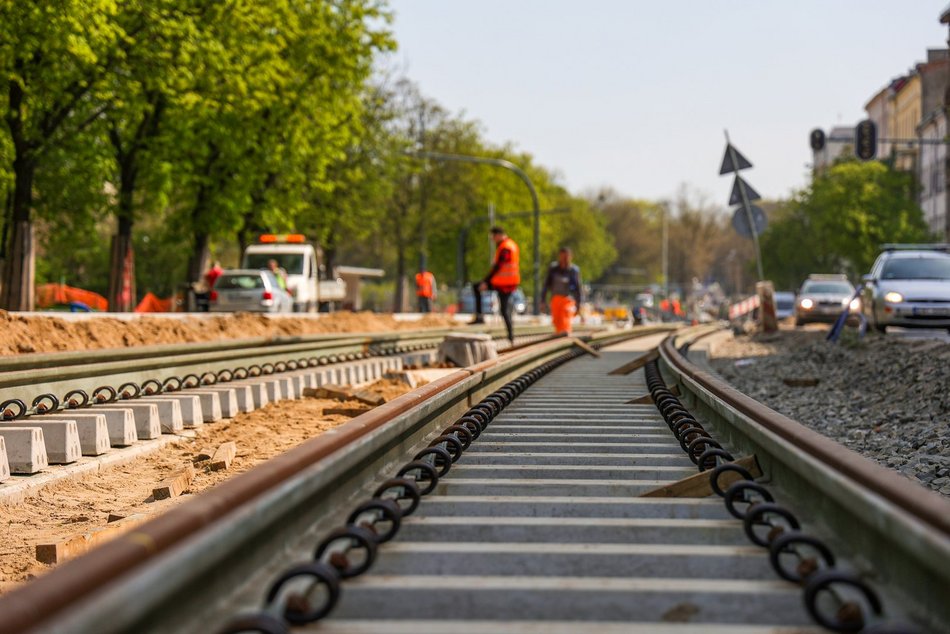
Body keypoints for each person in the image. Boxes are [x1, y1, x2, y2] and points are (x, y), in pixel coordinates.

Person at [470, 226, 519, 343]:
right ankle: (480, 317)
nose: (492, 239)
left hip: (504, 283)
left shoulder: (505, 248)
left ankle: (511, 336)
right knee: (504, 309)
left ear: (498, 235)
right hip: (504, 282)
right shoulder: (509, 245)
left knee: (504, 310)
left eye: (493, 236)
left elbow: (498, 267)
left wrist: (486, 282)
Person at [542, 247, 583, 334]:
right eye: (562, 256)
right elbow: (546, 285)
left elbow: (578, 288)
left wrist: (579, 303)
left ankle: (566, 336)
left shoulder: (574, 271)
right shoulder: (553, 269)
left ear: (570, 257)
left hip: (568, 300)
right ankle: (559, 337)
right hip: (556, 300)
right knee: (557, 322)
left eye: (566, 257)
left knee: (565, 320)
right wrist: (543, 300)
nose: (564, 259)